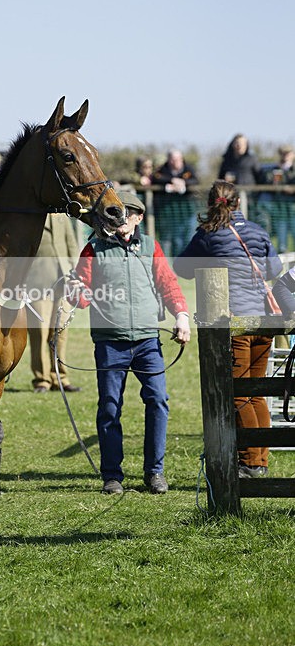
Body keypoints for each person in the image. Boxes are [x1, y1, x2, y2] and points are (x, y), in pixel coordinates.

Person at [68, 191, 191, 495]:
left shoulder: (150, 246)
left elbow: (168, 284)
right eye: (117, 213)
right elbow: (80, 294)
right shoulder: (93, 249)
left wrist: (181, 316)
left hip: (148, 341)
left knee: (158, 401)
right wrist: (75, 291)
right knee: (110, 407)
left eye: (128, 213)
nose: (122, 219)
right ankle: (112, 476)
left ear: (138, 217)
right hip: (110, 342)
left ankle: (155, 472)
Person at [174, 180, 282, 479]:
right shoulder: (258, 231)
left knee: (237, 394)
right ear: (238, 203)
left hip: (235, 324)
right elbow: (274, 270)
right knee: (257, 393)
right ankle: (259, 461)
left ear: (211, 203)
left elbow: (182, 268)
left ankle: (250, 463)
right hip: (263, 321)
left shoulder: (208, 235)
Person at [27, 213, 80, 393]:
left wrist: (75, 272)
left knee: (60, 331)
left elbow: (71, 244)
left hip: (64, 280)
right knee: (39, 333)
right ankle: (42, 379)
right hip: (36, 282)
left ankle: (60, 378)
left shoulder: (61, 215)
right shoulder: (31, 213)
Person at [152, 149, 199, 259]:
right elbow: (156, 178)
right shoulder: (162, 170)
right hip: (168, 213)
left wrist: (183, 183)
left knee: (187, 239)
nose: (175, 162)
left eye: (177, 159)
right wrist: (171, 181)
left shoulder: (188, 169)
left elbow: (195, 181)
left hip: (187, 212)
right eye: (173, 159)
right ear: (168, 160)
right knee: (172, 240)